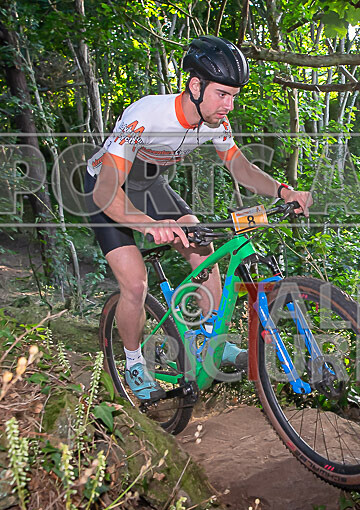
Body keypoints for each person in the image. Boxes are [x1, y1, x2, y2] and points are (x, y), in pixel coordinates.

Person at [84, 35, 313, 401]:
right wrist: (148, 224)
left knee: (206, 257)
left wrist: (284, 191)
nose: (230, 105)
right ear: (196, 86)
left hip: (151, 185)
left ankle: (209, 344)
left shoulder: (215, 123)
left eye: (234, 96)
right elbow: (105, 191)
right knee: (136, 285)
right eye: (223, 94)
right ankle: (132, 362)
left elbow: (240, 167)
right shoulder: (146, 115)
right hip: (107, 189)